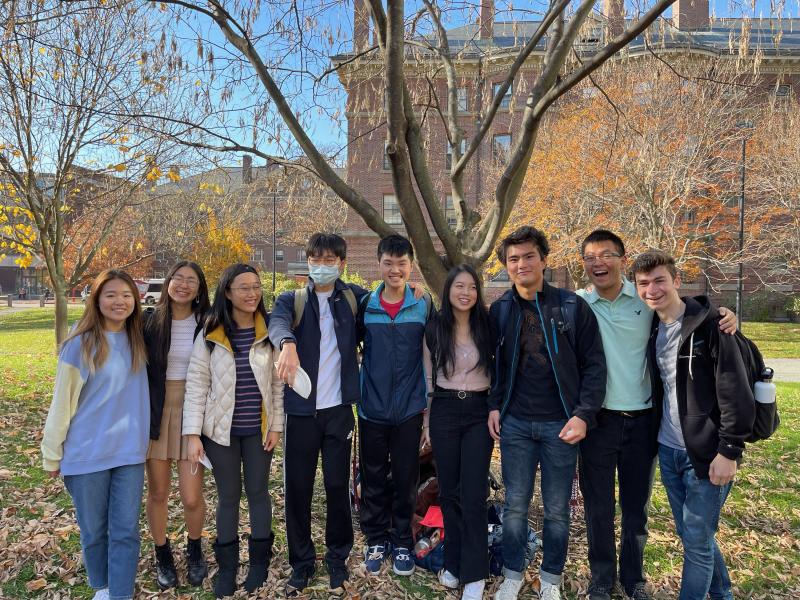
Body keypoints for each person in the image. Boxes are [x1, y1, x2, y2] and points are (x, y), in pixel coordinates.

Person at [576, 230, 738, 600]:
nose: (598, 262)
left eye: (606, 254)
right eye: (590, 257)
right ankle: (601, 578)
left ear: (621, 259)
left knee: (636, 510)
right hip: (597, 422)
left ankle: (633, 578)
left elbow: (688, 314)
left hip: (644, 423)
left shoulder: (645, 300)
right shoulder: (577, 304)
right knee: (598, 508)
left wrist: (724, 315)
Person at [488, 226, 607, 600]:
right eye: (513, 259)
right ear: (506, 266)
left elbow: (594, 366)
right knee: (515, 504)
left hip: (562, 424)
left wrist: (584, 415)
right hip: (516, 424)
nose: (521, 264)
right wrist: (494, 405)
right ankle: (512, 574)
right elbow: (494, 365)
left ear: (543, 259)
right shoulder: (501, 309)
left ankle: (551, 579)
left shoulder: (571, 307)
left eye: (528, 256)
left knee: (557, 509)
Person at [631, 250, 754, 600]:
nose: (652, 289)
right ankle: (723, 594)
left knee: (697, 540)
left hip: (708, 452)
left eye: (659, 280)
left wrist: (729, 450)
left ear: (676, 281)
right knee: (693, 535)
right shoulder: (652, 326)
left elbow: (735, 391)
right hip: (669, 451)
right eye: (644, 283)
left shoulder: (712, 324)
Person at [41, 269, 149, 600]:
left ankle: (120, 593)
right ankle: (102, 586)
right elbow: (62, 404)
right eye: (112, 295)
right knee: (94, 532)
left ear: (136, 300)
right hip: (87, 453)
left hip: (130, 452)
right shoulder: (80, 344)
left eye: (127, 295)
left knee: (126, 531)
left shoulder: (138, 340)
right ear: (97, 299)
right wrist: (52, 453)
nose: (120, 301)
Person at [269, 233, 366, 596]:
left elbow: (388, 303)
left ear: (341, 262)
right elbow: (276, 323)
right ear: (308, 261)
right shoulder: (290, 300)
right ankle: (302, 561)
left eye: (330, 259)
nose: (322, 265)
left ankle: (337, 557)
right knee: (298, 488)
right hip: (302, 412)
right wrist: (288, 343)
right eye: (316, 258)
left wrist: (416, 292)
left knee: (338, 487)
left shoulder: (353, 298)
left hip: (339, 411)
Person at [183, 263, 284, 599]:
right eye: (243, 287)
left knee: (258, 493)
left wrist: (276, 426)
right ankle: (226, 567)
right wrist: (193, 434)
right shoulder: (211, 332)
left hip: (258, 432)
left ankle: (258, 564)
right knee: (228, 497)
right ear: (227, 291)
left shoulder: (269, 331)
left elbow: (276, 384)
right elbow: (197, 384)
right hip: (220, 434)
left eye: (256, 286)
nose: (252, 293)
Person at [357, 234, 431, 578]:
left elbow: (432, 356)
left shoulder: (422, 304)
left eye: (402, 263)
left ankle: (402, 539)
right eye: (388, 262)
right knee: (372, 477)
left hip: (409, 411)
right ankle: (375, 538)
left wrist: (428, 409)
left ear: (410, 266)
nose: (395, 269)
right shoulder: (365, 306)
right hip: (371, 410)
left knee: (405, 478)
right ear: (379, 265)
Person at [422, 264, 494, 600]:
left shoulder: (488, 325)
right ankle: (453, 563)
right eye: (458, 286)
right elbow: (426, 378)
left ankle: (476, 572)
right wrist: (426, 422)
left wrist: (496, 409)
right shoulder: (435, 328)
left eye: (472, 287)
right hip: (445, 410)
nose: (465, 293)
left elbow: (500, 370)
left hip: (479, 411)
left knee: (474, 495)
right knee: (448, 491)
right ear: (448, 290)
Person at [142, 261, 210, 589]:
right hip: (155, 412)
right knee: (157, 492)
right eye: (178, 278)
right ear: (168, 282)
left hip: (192, 412)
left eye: (191, 281)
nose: (183, 285)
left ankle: (195, 549)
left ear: (199, 289)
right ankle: (162, 552)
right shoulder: (147, 321)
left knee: (192, 496)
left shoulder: (207, 323)